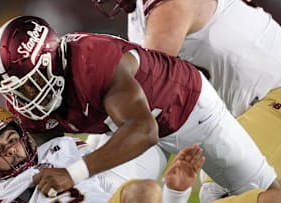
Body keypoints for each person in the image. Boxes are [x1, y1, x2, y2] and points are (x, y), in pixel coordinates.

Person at [0, 15, 281, 201]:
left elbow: (144, 129)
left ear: (51, 61)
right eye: (17, 90)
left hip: (187, 110)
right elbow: (40, 158)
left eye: (30, 83)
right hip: (124, 126)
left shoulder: (92, 60)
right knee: (114, 196)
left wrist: (73, 173)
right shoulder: (24, 99)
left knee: (269, 194)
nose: (26, 97)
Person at [92, 0, 281, 202]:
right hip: (234, 108)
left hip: (273, 95)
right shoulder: (141, 9)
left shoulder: (170, 7)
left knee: (226, 193)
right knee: (113, 187)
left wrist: (86, 161)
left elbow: (152, 90)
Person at [0, 103, 205, 203]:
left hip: (108, 192)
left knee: (144, 188)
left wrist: (174, 191)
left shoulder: (57, 148)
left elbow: (104, 182)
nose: (12, 152)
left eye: (12, 139)